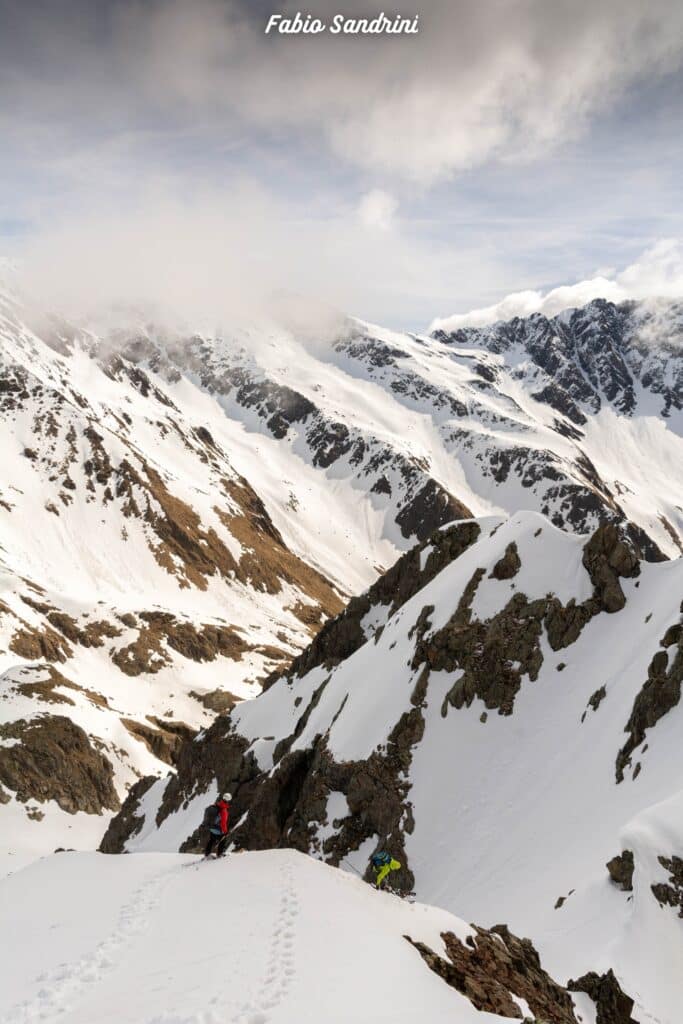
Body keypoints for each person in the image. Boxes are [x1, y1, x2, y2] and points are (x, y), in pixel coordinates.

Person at [204, 793, 231, 858]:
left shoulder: (217, 805)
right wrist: (225, 832)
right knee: (222, 840)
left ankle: (207, 854)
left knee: (211, 840)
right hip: (217, 829)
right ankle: (220, 854)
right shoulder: (224, 810)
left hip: (211, 827)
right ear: (228, 800)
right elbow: (223, 823)